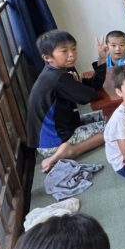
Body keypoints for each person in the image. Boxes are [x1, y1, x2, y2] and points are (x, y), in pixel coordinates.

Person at [28, 30, 107, 173]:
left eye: (74, 49)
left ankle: (68, 149)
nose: (72, 54)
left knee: (106, 114)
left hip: (63, 127)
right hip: (54, 142)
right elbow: (91, 95)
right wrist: (79, 84)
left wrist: (102, 58)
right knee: (112, 128)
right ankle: (71, 151)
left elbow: (93, 86)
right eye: (64, 51)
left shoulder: (54, 71)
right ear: (47, 57)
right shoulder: (58, 78)